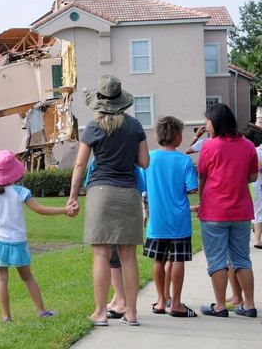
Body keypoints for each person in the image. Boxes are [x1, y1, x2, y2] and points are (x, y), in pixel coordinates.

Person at [68, 74, 149, 326]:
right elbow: (144, 162)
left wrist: (72, 197)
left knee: (101, 254)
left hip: (100, 193)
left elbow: (80, 164)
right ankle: (132, 313)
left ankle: (101, 313)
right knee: (128, 255)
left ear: (99, 101)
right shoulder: (135, 126)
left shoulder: (93, 128)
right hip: (128, 193)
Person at [0, 150, 79, 322]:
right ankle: (42, 311)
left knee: (1, 279)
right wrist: (65, 210)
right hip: (17, 242)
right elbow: (40, 210)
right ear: (14, 172)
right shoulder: (21, 192)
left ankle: (6, 317)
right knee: (27, 277)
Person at [197, 104, 258, 318]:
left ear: (216, 122)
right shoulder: (249, 146)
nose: (206, 126)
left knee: (217, 260)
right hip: (241, 211)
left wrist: (202, 201)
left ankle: (220, 306)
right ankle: (249, 305)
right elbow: (253, 177)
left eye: (207, 122)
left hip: (214, 211)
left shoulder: (209, 146)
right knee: (242, 259)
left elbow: (202, 176)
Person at [143, 116, 199, 318]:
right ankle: (176, 303)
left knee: (158, 260)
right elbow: (192, 188)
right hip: (179, 222)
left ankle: (160, 301)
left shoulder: (148, 159)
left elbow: (143, 186)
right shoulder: (184, 161)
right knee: (177, 261)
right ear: (176, 136)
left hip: (157, 221)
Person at [85, 159, 146, 320]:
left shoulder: (98, 161)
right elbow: (141, 184)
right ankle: (126, 306)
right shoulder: (130, 161)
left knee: (108, 256)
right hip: (128, 200)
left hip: (105, 201)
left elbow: (89, 183)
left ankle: (120, 301)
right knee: (127, 255)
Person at [241, 127, 262, 249]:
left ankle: (258, 239)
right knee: (257, 211)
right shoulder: (256, 151)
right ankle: (258, 239)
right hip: (256, 185)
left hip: (251, 185)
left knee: (256, 211)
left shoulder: (249, 152)